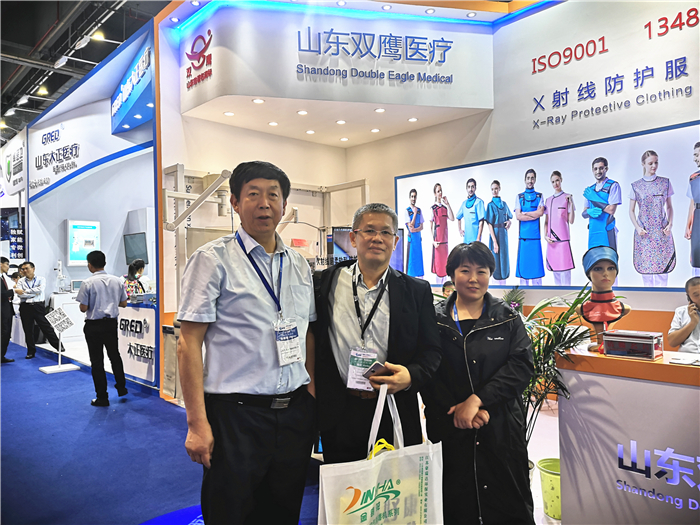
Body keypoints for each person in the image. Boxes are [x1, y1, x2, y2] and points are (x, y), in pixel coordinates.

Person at [177, 161, 317, 524]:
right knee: (231, 512)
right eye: (253, 194)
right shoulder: (212, 260)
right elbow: (188, 343)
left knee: (284, 511)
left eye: (273, 195)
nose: (264, 203)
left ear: (284, 204)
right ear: (236, 203)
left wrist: (311, 396)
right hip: (236, 415)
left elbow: (308, 333)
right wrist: (196, 423)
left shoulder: (299, 265)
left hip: (294, 413)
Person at [313, 202, 441, 464]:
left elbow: (432, 351)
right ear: (353, 238)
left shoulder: (416, 291)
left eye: (385, 232)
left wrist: (410, 376)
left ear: (395, 241)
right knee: (345, 487)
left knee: (396, 486)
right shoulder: (325, 282)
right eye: (369, 230)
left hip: (394, 408)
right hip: (340, 412)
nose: (377, 238)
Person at [422, 242, 535, 525]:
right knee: (456, 503)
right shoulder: (434, 319)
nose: (473, 278)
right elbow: (427, 371)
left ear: (490, 274)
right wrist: (457, 411)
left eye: (481, 271)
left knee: (507, 502)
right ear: (452, 274)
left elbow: (521, 366)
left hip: (500, 425)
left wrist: (477, 401)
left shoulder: (508, 318)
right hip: (449, 425)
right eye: (465, 270)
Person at [76, 251, 128, 406]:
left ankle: (102, 397)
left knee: (97, 361)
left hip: (94, 325)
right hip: (111, 324)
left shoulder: (87, 283)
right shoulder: (117, 280)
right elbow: (124, 303)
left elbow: (83, 308)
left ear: (90, 265)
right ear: (104, 263)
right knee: (115, 356)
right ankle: (121, 387)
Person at [629, 150, 676, 287]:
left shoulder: (665, 183)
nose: (654, 166)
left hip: (662, 231)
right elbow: (631, 210)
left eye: (656, 162)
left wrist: (670, 224)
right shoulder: (636, 186)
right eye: (650, 163)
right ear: (643, 164)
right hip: (644, 233)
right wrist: (637, 227)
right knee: (646, 271)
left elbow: (669, 207)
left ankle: (663, 297)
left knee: (663, 271)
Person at [576, 246, 632, 352]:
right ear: (588, 273)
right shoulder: (582, 309)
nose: (606, 274)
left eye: (611, 268)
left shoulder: (623, 309)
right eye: (598, 269)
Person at [14, 261, 63, 359]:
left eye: (27, 268)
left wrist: (25, 291)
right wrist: (33, 293)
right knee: (28, 330)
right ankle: (31, 351)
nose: (25, 270)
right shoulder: (21, 281)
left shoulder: (41, 279)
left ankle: (58, 345)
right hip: (25, 307)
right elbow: (19, 294)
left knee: (46, 326)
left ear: (33, 269)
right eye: (23, 269)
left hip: (38, 306)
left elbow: (40, 290)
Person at [583, 157, 622, 250]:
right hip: (593, 231)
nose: (598, 171)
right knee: (594, 257)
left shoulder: (613, 186)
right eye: (595, 169)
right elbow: (584, 214)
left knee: (609, 256)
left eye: (601, 168)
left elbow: (611, 210)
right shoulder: (590, 190)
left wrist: (594, 198)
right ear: (592, 170)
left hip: (606, 230)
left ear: (606, 169)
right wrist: (589, 212)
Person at [544, 171, 575, 286]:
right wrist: (545, 236)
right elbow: (546, 221)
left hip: (563, 241)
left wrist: (571, 203)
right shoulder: (548, 200)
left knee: (565, 274)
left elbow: (571, 220)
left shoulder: (567, 197)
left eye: (557, 180)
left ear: (561, 180)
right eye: (553, 182)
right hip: (552, 242)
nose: (555, 184)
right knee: (556, 274)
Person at [515, 169, 545, 286]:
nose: (530, 181)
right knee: (524, 274)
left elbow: (540, 213)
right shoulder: (519, 197)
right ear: (525, 180)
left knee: (537, 275)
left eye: (532, 178)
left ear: (535, 180)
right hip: (524, 238)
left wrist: (526, 213)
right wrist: (534, 214)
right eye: (528, 178)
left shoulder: (539, 196)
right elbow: (518, 216)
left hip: (535, 238)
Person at [484, 180, 512, 285]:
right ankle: (495, 286)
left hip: (503, 235)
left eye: (496, 188)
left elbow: (509, 217)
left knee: (504, 257)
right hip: (494, 234)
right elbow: (489, 224)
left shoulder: (504, 204)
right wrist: (495, 242)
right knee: (495, 259)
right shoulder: (490, 205)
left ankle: (504, 283)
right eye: (492, 189)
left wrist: (509, 222)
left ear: (499, 188)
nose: (494, 191)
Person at [430, 183, 455, 284]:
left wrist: (448, 204)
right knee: (439, 268)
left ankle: (445, 289)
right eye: (438, 191)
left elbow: (452, 218)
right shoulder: (433, 209)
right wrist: (433, 241)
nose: (440, 193)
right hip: (438, 242)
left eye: (441, 190)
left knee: (445, 268)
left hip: (445, 242)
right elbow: (430, 227)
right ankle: (437, 289)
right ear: (435, 194)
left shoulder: (445, 208)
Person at [668, 277, 700, 353]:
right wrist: (692, 323)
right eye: (696, 295)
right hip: (686, 356)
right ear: (689, 297)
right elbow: (672, 342)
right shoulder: (681, 312)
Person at [684, 142, 700, 276]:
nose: (695, 159)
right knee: (697, 255)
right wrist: (688, 225)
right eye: (694, 155)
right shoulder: (693, 178)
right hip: (698, 218)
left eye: (697, 155)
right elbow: (692, 203)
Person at [456, 178, 485, 244]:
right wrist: (460, 230)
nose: (470, 189)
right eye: (469, 187)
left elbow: (481, 222)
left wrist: (478, 238)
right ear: (466, 189)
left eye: (472, 187)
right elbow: (458, 217)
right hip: (466, 239)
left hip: (475, 239)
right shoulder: (464, 204)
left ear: (475, 188)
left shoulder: (479, 202)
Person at [404, 188, 424, 278]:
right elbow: (410, 226)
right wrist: (415, 214)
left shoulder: (419, 210)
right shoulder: (407, 211)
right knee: (411, 260)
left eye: (414, 197)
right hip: (411, 240)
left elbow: (421, 226)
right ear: (409, 198)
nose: (413, 198)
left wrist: (415, 229)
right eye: (412, 196)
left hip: (418, 239)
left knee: (418, 259)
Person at [1, 257, 15, 363]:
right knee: (3, 332)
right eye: (7, 264)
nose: (8, 267)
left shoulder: (4, 278)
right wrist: (12, 291)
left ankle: (2, 356)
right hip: (2, 310)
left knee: (6, 333)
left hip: (7, 309)